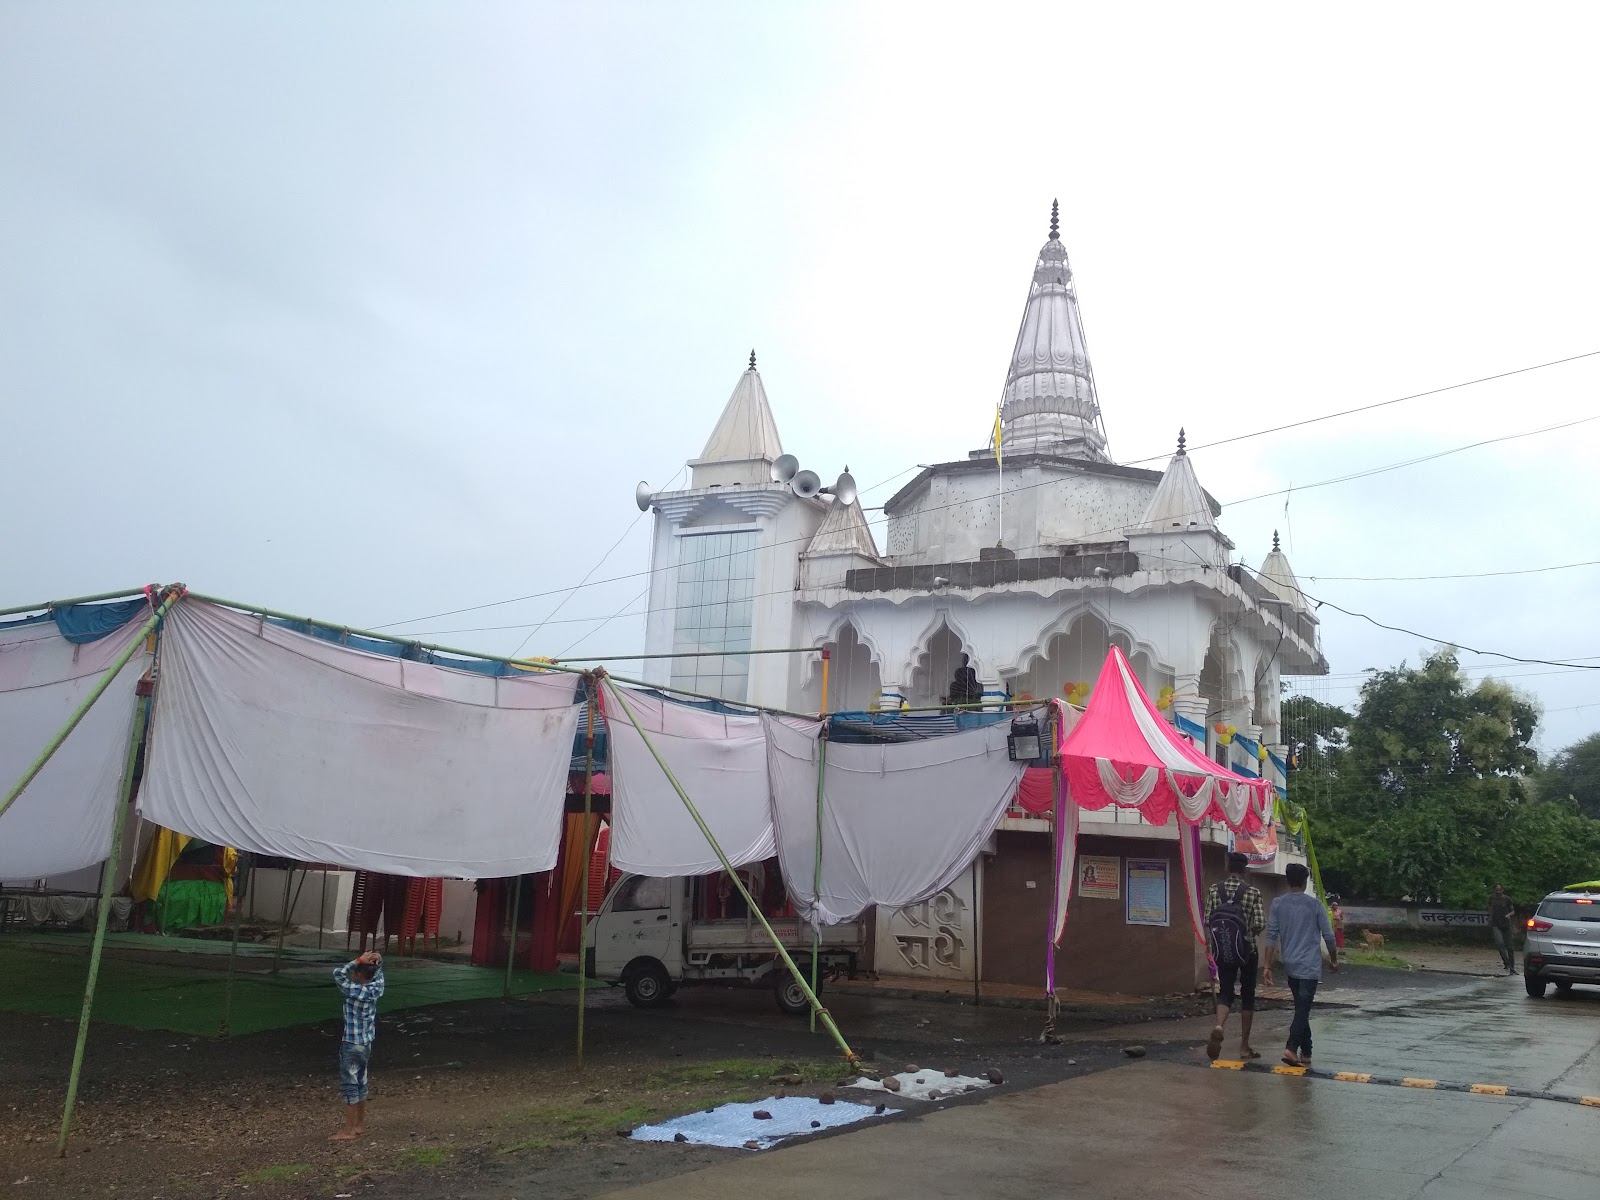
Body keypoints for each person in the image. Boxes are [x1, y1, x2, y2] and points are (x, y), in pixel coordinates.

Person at [1263, 863, 1338, 1069]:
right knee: (1303, 1009)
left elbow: (1271, 936)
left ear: (1288, 881)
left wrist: (1267, 966)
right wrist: (1333, 959)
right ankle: (1291, 1047)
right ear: (1305, 882)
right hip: (1309, 966)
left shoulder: (1278, 904)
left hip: (1291, 965)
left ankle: (1306, 1052)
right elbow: (1329, 936)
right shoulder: (1315, 905)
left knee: (1301, 1008)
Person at [1205, 851, 1266, 1061]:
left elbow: (1208, 919)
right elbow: (1260, 923)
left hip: (1224, 949)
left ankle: (1219, 1026)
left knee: (1226, 991)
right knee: (1248, 995)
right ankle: (1244, 1047)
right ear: (1244, 870)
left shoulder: (1215, 890)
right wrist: (1248, 932)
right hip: (1247, 950)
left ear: (1228, 867)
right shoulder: (1252, 892)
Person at [331, 950, 385, 1141]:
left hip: (351, 1043)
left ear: (359, 975)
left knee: (350, 1085)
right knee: (361, 1082)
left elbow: (338, 973)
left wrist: (358, 960)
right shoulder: (375, 988)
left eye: (355, 972)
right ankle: (359, 1124)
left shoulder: (354, 990)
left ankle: (348, 1130)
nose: (352, 974)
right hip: (366, 1043)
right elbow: (379, 975)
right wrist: (378, 962)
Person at [1489, 884, 1517, 974]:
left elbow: (1513, 911)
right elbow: (1490, 909)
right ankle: (1506, 962)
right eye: (1496, 890)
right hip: (1496, 924)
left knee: (1510, 947)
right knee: (1500, 944)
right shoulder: (1491, 899)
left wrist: (1509, 915)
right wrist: (1490, 918)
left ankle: (1512, 967)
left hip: (1506, 924)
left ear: (1502, 890)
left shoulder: (1507, 899)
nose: (1498, 892)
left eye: (1499, 890)